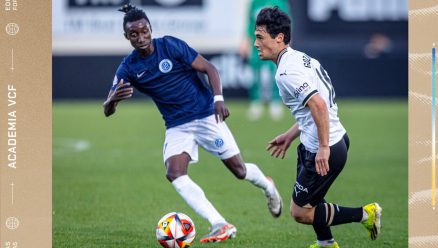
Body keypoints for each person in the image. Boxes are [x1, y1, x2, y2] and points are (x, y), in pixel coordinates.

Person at [103, 3, 282, 244]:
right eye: (134, 34)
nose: (141, 37)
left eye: (144, 31)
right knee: (174, 173)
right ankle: (219, 223)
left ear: (150, 28)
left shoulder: (170, 45)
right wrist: (112, 100)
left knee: (240, 171)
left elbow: (209, 68)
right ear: (127, 37)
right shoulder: (129, 67)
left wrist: (218, 99)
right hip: (177, 126)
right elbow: (107, 110)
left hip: (207, 115)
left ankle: (268, 187)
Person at [253, 7, 382, 248]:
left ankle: (366, 214)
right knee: (313, 199)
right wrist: (290, 135)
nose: (255, 43)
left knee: (300, 212)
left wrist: (323, 148)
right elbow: (311, 109)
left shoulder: (286, 72)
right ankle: (326, 243)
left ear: (279, 37)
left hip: (325, 147)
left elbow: (319, 106)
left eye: (260, 37)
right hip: (331, 139)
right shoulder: (300, 58)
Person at [240, 0, 291, 121]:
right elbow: (250, 23)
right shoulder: (255, 3)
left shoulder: (280, 2)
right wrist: (245, 40)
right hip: (257, 42)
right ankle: (256, 101)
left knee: (276, 70)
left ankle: (276, 101)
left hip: (274, 42)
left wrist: (287, 40)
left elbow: (287, 22)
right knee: (255, 71)